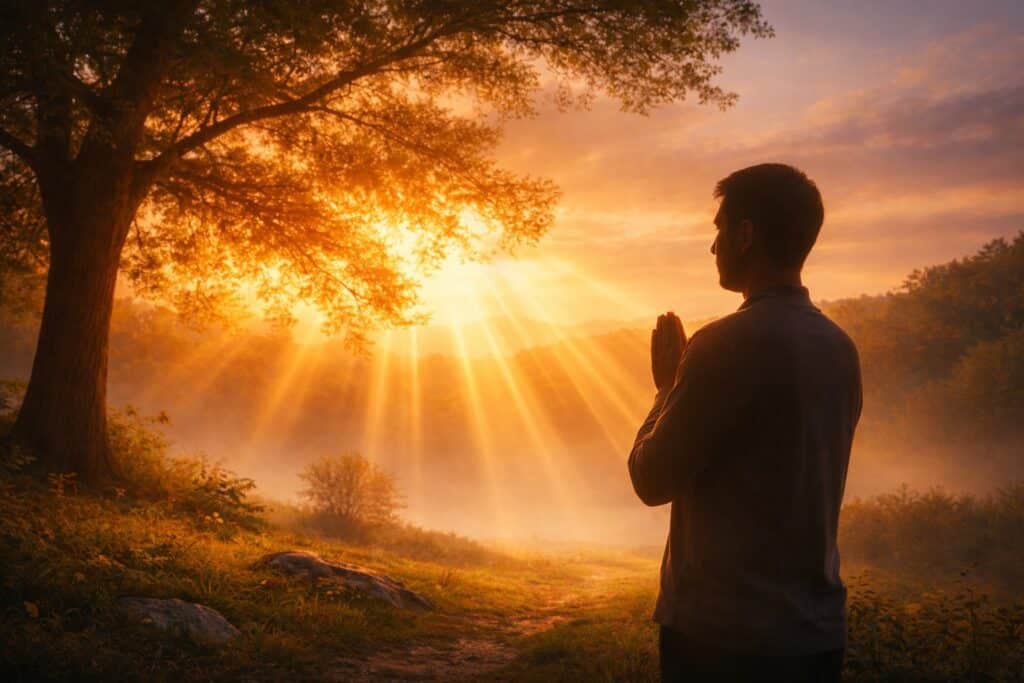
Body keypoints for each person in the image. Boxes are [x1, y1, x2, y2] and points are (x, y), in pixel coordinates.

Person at [628, 163, 862, 682]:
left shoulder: (722, 344)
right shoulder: (840, 349)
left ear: (746, 234)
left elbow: (651, 479)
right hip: (815, 636)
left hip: (722, 637)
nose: (713, 246)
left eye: (718, 228)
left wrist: (666, 387)